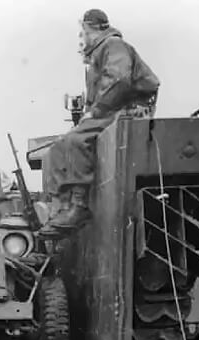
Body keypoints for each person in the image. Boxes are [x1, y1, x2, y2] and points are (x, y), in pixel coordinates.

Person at [39, 8, 160, 238]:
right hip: (114, 109)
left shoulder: (113, 46)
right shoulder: (99, 54)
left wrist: (95, 112)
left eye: (81, 32)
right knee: (59, 146)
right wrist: (91, 112)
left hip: (130, 109)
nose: (80, 38)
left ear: (90, 30)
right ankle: (63, 208)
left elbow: (118, 81)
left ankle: (78, 206)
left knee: (76, 139)